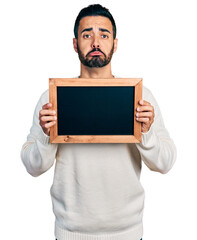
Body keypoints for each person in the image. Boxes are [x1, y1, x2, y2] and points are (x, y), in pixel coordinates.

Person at [21, 4, 176, 240]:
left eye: (104, 35)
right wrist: (46, 134)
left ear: (115, 43)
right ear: (75, 44)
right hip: (70, 234)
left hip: (129, 234)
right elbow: (33, 167)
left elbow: (165, 162)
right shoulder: (51, 98)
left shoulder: (141, 97)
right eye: (87, 35)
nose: (95, 42)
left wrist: (146, 132)